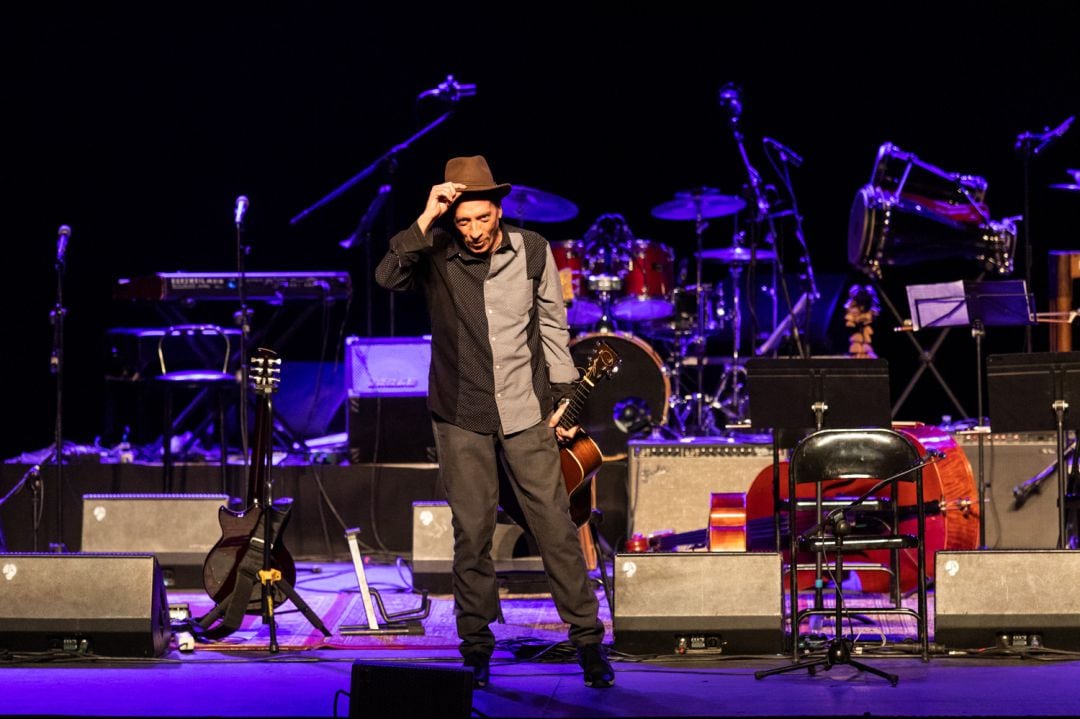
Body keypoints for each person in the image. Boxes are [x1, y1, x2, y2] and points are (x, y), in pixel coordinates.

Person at [375, 155, 614, 689]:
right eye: (464, 221)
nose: (475, 231)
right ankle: (477, 647)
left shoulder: (532, 249)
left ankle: (589, 645)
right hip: (461, 411)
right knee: (474, 531)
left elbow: (552, 324)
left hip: (526, 408)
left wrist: (564, 397)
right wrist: (427, 216)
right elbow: (386, 275)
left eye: (483, 219)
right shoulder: (435, 249)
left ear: (499, 212)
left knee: (555, 526)